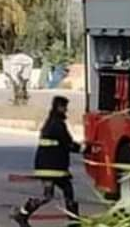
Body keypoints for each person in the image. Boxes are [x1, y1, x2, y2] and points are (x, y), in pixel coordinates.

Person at [11, 96, 81, 226]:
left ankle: (22, 214)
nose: (66, 110)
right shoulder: (58, 124)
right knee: (68, 190)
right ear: (59, 107)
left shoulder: (50, 122)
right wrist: (82, 148)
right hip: (55, 167)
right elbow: (67, 143)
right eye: (64, 107)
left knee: (47, 196)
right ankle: (74, 221)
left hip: (45, 166)